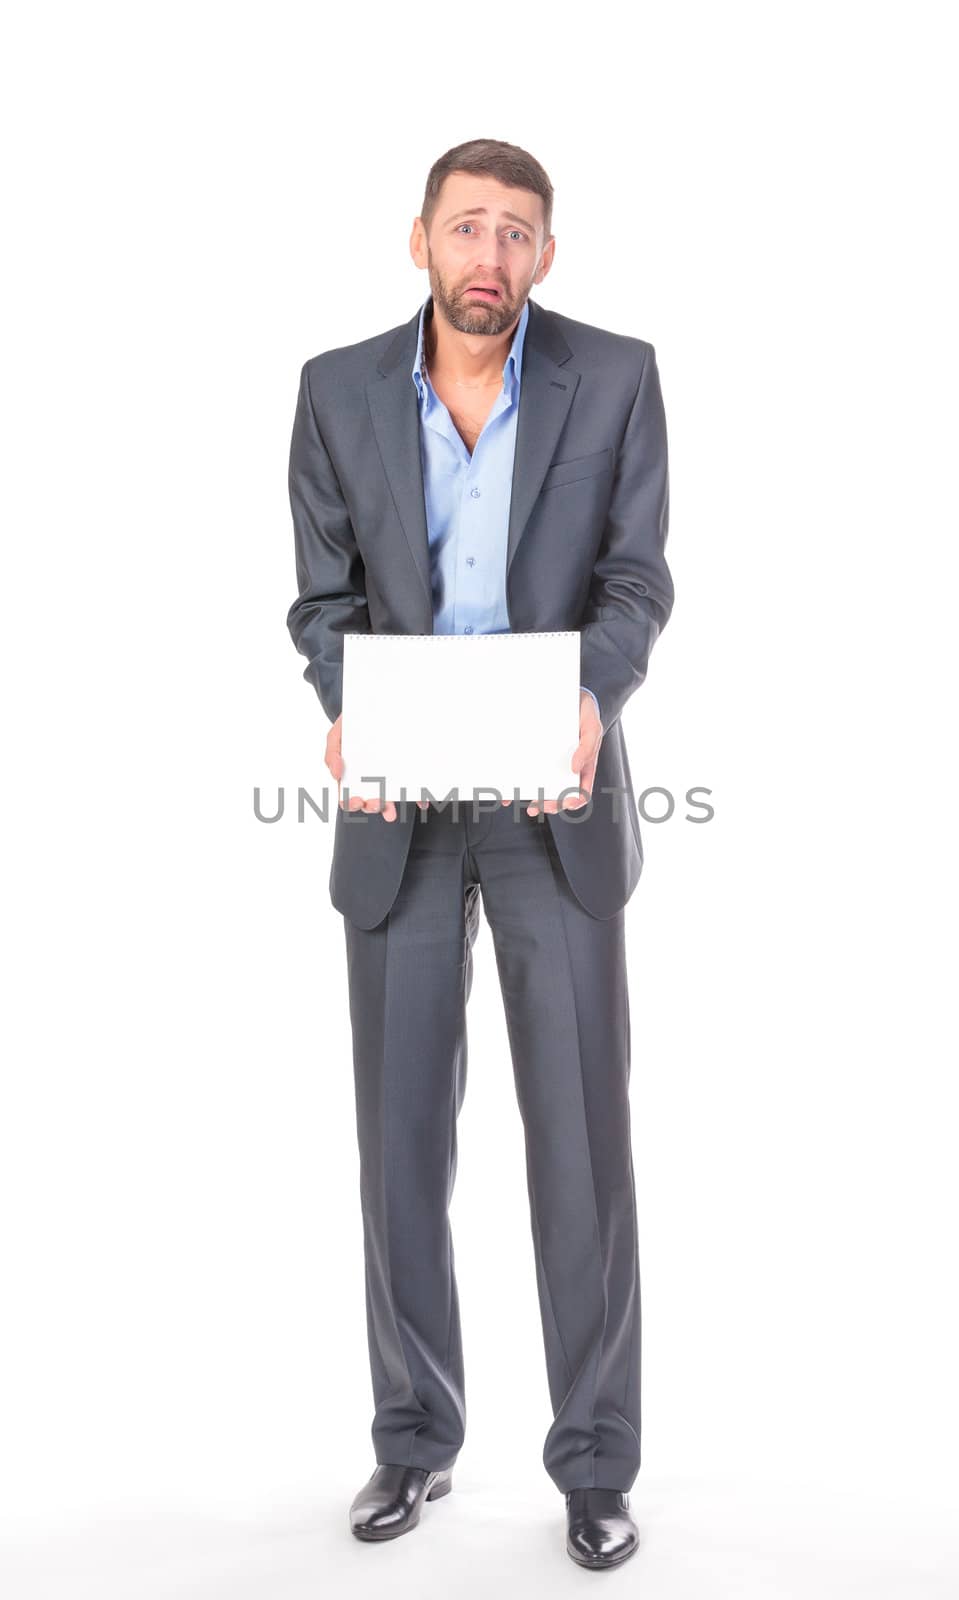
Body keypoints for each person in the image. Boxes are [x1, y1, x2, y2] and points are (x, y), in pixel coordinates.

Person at [286, 137, 674, 1571]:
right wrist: (343, 706)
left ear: (546, 258)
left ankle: (593, 1464)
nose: (490, 256)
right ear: (421, 242)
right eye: (468, 228)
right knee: (399, 1146)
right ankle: (413, 1443)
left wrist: (592, 698)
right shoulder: (335, 391)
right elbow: (321, 596)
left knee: (580, 1147)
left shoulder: (616, 377)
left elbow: (637, 577)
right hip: (397, 807)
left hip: (551, 804)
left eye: (517, 233)